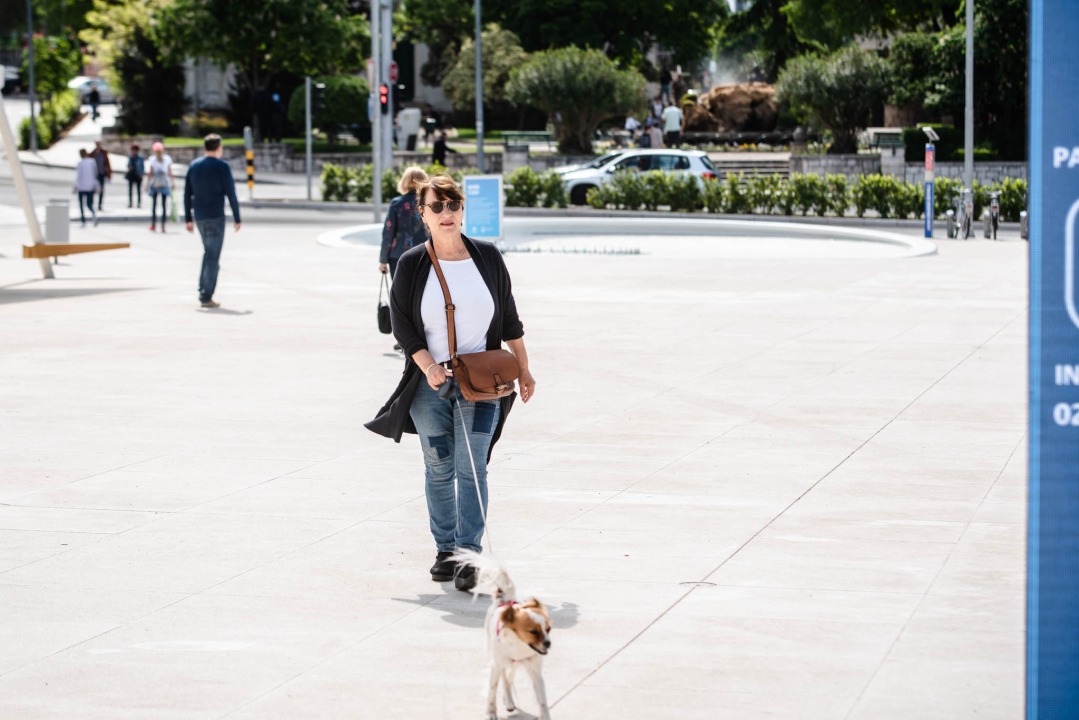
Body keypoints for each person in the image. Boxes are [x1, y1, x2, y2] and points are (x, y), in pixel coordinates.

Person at [365, 174, 536, 592]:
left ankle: (469, 553)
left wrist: (525, 368)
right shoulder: (412, 262)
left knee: (472, 468)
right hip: (430, 385)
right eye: (436, 206)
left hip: (481, 384)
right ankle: (446, 551)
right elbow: (403, 327)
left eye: (452, 205)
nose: (446, 213)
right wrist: (427, 365)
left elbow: (510, 319)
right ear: (421, 214)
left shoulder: (488, 258)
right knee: (439, 467)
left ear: (463, 210)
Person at [184, 133, 241, 309]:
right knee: (212, 256)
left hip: (200, 217)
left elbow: (187, 194)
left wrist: (188, 218)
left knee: (209, 253)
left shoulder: (194, 166)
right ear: (218, 148)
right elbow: (231, 193)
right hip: (216, 217)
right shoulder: (222, 166)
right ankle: (206, 295)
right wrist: (237, 217)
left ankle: (204, 291)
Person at [380, 167, 428, 280]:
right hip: (425, 253)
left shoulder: (396, 203)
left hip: (398, 254)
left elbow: (388, 232)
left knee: (400, 293)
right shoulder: (429, 203)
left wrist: (383, 260)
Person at [146, 141, 174, 233]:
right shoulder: (167, 159)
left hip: (155, 183)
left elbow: (151, 173)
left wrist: (147, 184)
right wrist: (172, 183)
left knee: (154, 205)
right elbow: (170, 172)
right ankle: (163, 225)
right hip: (164, 183)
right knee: (164, 206)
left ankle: (153, 224)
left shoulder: (152, 159)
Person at [73, 149, 99, 227]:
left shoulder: (80, 163)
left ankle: (83, 220)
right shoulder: (92, 162)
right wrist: (95, 184)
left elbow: (78, 176)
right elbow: (95, 174)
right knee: (89, 204)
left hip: (81, 186)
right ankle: (94, 214)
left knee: (81, 205)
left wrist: (75, 186)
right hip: (90, 186)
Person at [90, 140, 111, 211]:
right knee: (93, 189)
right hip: (94, 174)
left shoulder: (104, 153)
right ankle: (92, 203)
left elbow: (107, 164)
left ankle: (100, 204)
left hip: (102, 173)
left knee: (101, 190)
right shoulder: (93, 153)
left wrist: (109, 174)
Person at [126, 144, 145, 209]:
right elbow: (128, 165)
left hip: (138, 175)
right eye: (133, 150)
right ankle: (130, 203)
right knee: (130, 190)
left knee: (138, 190)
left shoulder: (140, 157)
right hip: (131, 175)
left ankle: (139, 203)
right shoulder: (130, 157)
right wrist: (130, 166)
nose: (134, 151)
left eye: (135, 150)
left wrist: (142, 174)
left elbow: (142, 166)